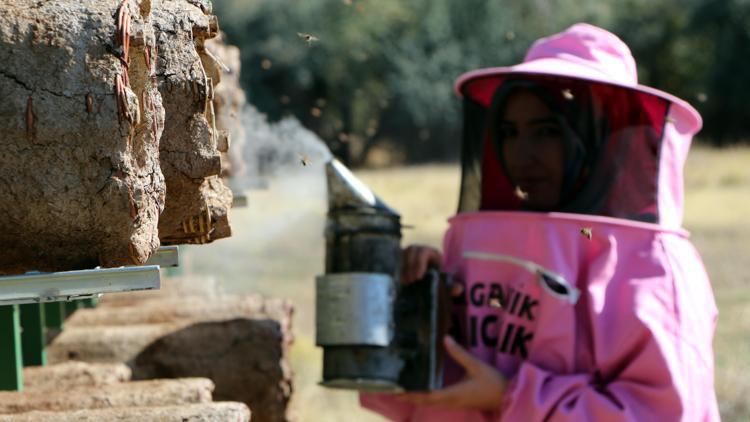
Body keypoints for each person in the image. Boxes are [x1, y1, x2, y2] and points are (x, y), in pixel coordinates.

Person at [361, 23, 719, 421]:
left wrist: (510, 396)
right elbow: (430, 394)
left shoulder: (652, 268)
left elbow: (663, 414)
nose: (521, 155)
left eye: (547, 132)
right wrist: (423, 298)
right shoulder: (479, 245)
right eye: (510, 133)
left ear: (601, 136)